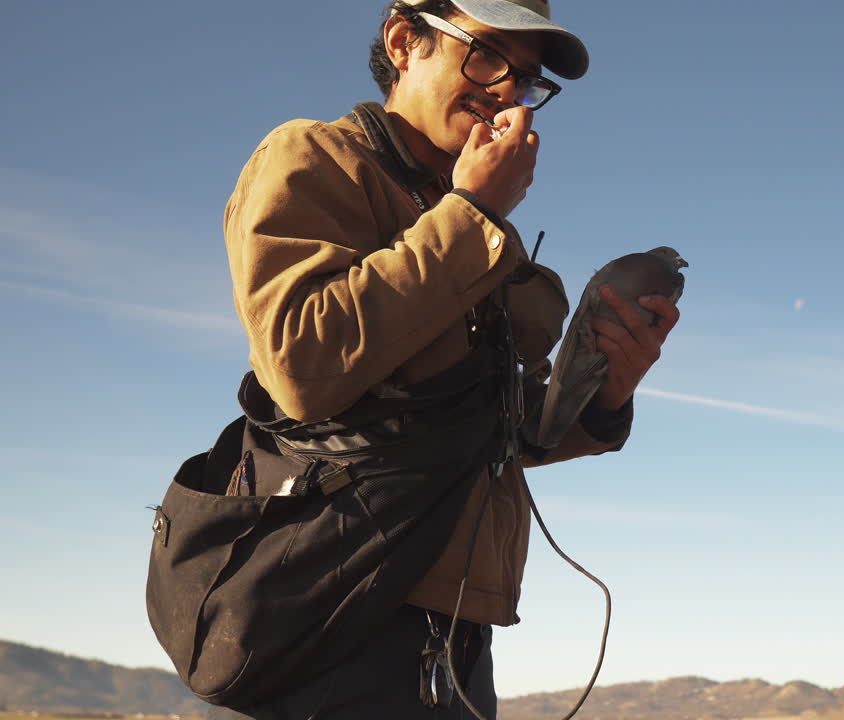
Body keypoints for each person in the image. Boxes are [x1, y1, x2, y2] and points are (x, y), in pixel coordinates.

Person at [208, 0, 680, 717]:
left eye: (525, 79)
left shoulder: (480, 230)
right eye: (486, 55)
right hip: (335, 611)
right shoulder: (317, 158)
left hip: (455, 630)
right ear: (404, 41)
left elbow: (494, 432)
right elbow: (301, 361)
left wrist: (606, 393)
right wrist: (476, 211)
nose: (506, 92)